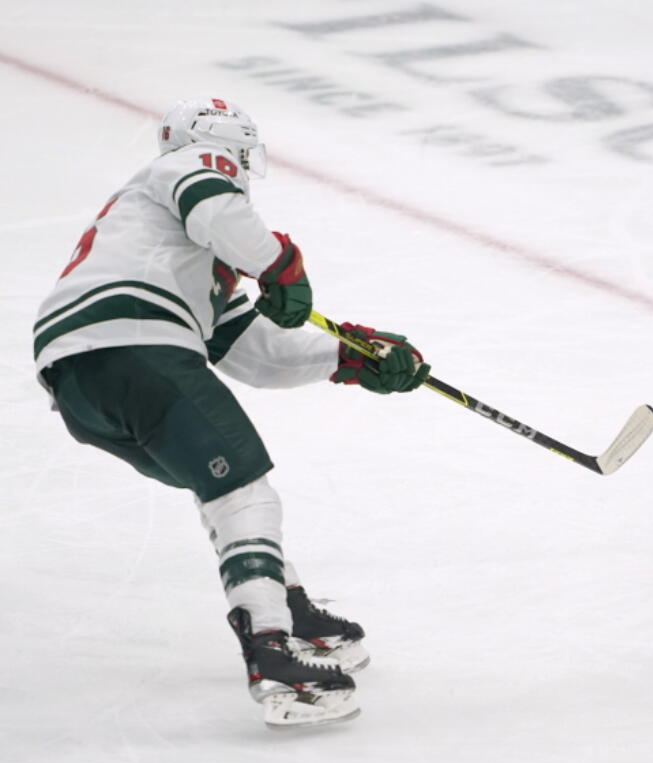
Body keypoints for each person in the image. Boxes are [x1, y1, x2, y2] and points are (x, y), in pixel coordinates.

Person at [32, 98, 430, 728]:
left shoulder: (171, 252)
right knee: (245, 489)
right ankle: (270, 650)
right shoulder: (189, 168)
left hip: (81, 379)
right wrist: (278, 264)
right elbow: (218, 203)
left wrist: (348, 358)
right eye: (242, 158)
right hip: (132, 345)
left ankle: (285, 602)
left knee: (220, 486)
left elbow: (254, 354)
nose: (242, 171)